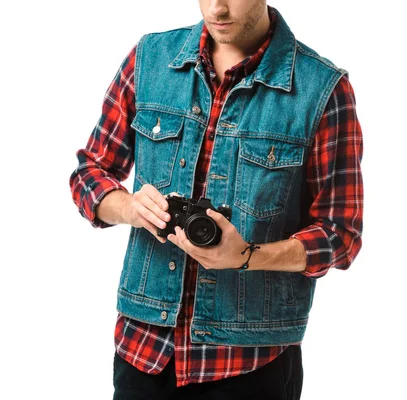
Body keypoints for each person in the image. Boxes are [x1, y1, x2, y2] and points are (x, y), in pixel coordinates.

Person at [69, 1, 363, 398]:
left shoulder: (320, 89)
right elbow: (89, 171)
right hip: (144, 352)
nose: (218, 8)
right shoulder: (150, 59)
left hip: (250, 365)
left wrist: (246, 255)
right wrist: (129, 207)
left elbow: (340, 234)